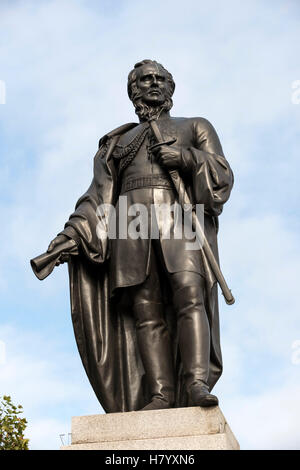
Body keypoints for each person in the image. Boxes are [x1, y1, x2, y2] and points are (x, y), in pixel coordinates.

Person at [43, 60, 234, 412]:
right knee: (145, 308)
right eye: (146, 80)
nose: (154, 84)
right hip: (128, 222)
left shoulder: (195, 126)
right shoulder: (117, 143)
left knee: (190, 294)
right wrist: (72, 234)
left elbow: (221, 174)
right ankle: (160, 393)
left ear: (171, 88)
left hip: (180, 216)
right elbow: (98, 197)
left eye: (161, 79)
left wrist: (187, 158)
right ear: (134, 90)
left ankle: (195, 383)